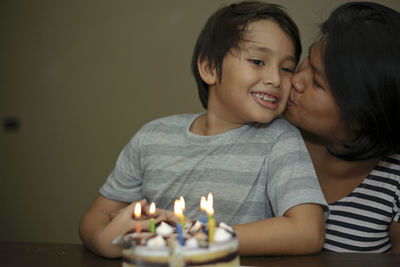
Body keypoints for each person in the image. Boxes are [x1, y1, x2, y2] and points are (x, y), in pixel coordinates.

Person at [79, 1, 327, 258]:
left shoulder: (280, 140)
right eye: (257, 61)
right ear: (209, 67)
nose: (276, 79)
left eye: (286, 68)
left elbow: (308, 232)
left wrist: (196, 236)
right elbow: (96, 216)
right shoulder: (152, 137)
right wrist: (103, 239)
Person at [285, 1, 400, 253]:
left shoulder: (394, 181)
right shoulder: (273, 138)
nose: (295, 79)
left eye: (316, 81)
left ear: (361, 115)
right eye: (307, 58)